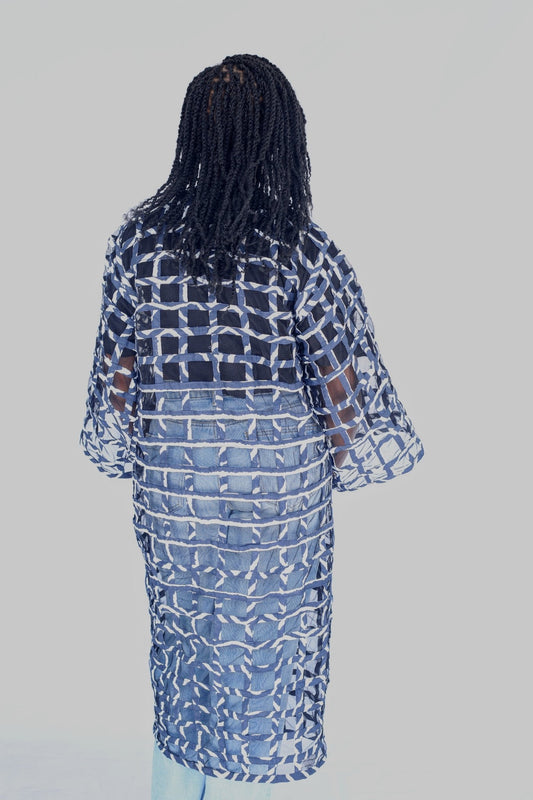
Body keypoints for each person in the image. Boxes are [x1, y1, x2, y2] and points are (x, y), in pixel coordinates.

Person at [80, 53, 424, 799]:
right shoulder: (299, 246)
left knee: (184, 648)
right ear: (278, 137)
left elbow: (117, 378)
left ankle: (175, 789)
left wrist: (168, 435)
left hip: (178, 482)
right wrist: (328, 457)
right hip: (278, 485)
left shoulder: (139, 240)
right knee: (267, 651)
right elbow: (342, 386)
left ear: (192, 138)